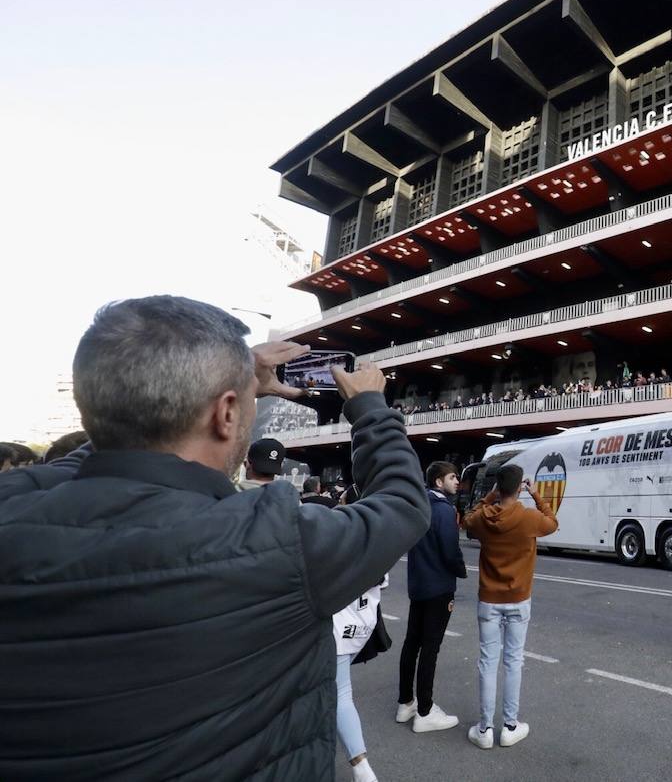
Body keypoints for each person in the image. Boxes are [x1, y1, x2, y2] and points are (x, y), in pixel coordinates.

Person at [0, 296, 433, 781]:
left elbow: (79, 457)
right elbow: (402, 504)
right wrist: (371, 408)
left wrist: (144, 407)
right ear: (226, 414)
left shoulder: (12, 508)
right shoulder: (276, 539)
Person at [461, 464, 558, 749]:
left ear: (497, 488)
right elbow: (552, 522)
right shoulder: (529, 518)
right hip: (518, 599)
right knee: (513, 662)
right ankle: (510, 726)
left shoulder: (483, 518)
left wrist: (488, 499)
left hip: (489, 600)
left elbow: (466, 521)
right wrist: (538, 496)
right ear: (520, 488)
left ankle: (485, 729)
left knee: (487, 663)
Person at [398, 461, 467, 734]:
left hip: (418, 584)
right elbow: (450, 549)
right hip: (439, 587)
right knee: (431, 648)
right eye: (452, 477)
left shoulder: (419, 506)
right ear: (438, 482)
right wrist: (460, 570)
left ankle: (406, 702)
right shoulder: (443, 510)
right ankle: (425, 711)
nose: (456, 482)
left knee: (411, 644)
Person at [334, 578, 383, 782]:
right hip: (361, 626)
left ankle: (361, 767)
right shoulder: (378, 547)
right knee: (337, 693)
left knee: (340, 696)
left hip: (335, 627)